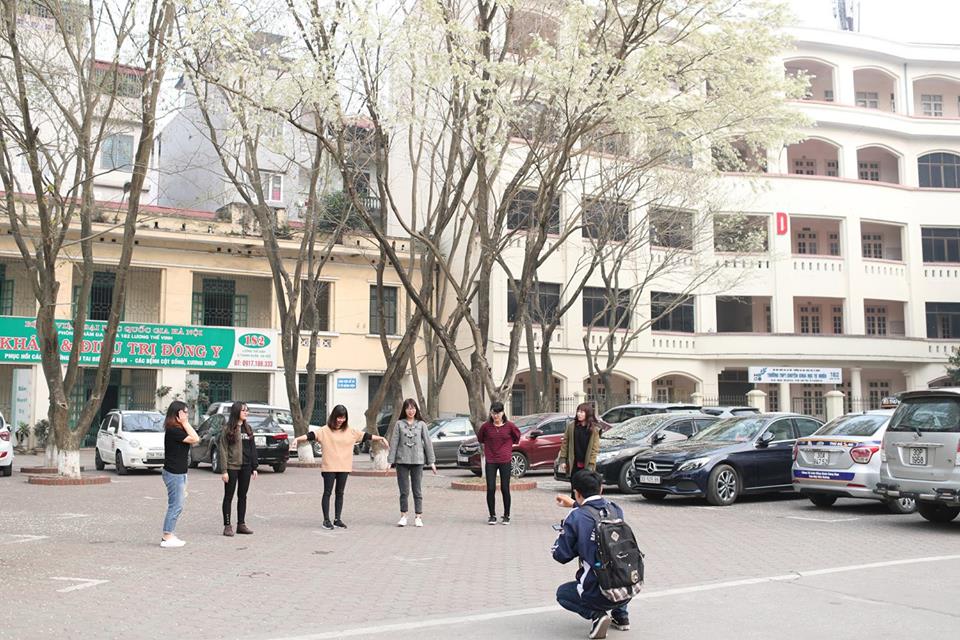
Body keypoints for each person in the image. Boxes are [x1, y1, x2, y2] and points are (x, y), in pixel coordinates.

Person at [552, 470, 631, 639]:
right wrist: (575, 504)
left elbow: (561, 555)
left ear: (576, 492)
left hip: (599, 592)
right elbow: (595, 513)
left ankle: (597, 615)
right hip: (629, 586)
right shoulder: (615, 509)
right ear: (601, 488)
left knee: (562, 594)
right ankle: (621, 616)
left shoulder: (576, 517)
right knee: (615, 562)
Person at [291, 404, 389, 530]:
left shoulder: (351, 431)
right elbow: (310, 435)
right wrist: (297, 439)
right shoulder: (324, 430)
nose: (340, 420)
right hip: (329, 467)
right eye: (338, 417)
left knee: (340, 493)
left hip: (344, 467)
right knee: (327, 493)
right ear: (334, 417)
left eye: (343, 418)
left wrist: (381, 438)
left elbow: (366, 436)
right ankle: (326, 520)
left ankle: (337, 519)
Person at [388, 398, 437, 527]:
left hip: (418, 461)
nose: (411, 411)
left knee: (417, 490)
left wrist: (431, 461)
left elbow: (428, 443)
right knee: (404, 491)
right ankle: (403, 515)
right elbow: (394, 442)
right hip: (402, 461)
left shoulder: (421, 424)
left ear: (416, 409)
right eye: (408, 408)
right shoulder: (399, 424)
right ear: (404, 410)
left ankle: (418, 516)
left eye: (413, 408)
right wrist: (390, 461)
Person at [161, 401, 199, 548]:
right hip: (174, 473)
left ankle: (169, 533)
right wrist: (184, 422)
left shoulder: (178, 429)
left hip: (179, 473)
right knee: (175, 505)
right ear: (177, 414)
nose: (187, 415)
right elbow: (195, 438)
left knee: (178, 504)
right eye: (185, 412)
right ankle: (167, 536)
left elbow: (194, 437)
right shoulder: (173, 430)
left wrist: (184, 423)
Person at [475, 401, 521, 525]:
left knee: (505, 488)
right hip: (491, 460)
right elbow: (480, 438)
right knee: (490, 488)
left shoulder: (510, 426)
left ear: (503, 413)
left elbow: (517, 437)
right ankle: (492, 515)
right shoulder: (486, 427)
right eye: (493, 413)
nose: (496, 416)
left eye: (498, 413)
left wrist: (507, 447)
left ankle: (506, 515)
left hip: (505, 460)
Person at [219, 401, 258, 536]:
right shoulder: (227, 429)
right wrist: (224, 470)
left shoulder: (248, 428)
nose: (246, 412)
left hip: (246, 467)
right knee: (228, 496)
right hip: (232, 467)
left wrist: (254, 466)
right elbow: (223, 449)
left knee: (243, 496)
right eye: (243, 410)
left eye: (247, 410)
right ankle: (227, 525)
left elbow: (252, 448)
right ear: (236, 412)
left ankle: (241, 524)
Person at [558, 403, 602, 497]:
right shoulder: (571, 426)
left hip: (586, 465)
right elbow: (565, 444)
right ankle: (574, 505)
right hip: (574, 464)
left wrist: (591, 465)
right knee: (574, 489)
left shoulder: (594, 429)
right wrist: (563, 460)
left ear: (588, 413)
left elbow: (594, 449)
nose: (579, 414)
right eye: (578, 411)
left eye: (582, 412)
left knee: (585, 490)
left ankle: (584, 505)